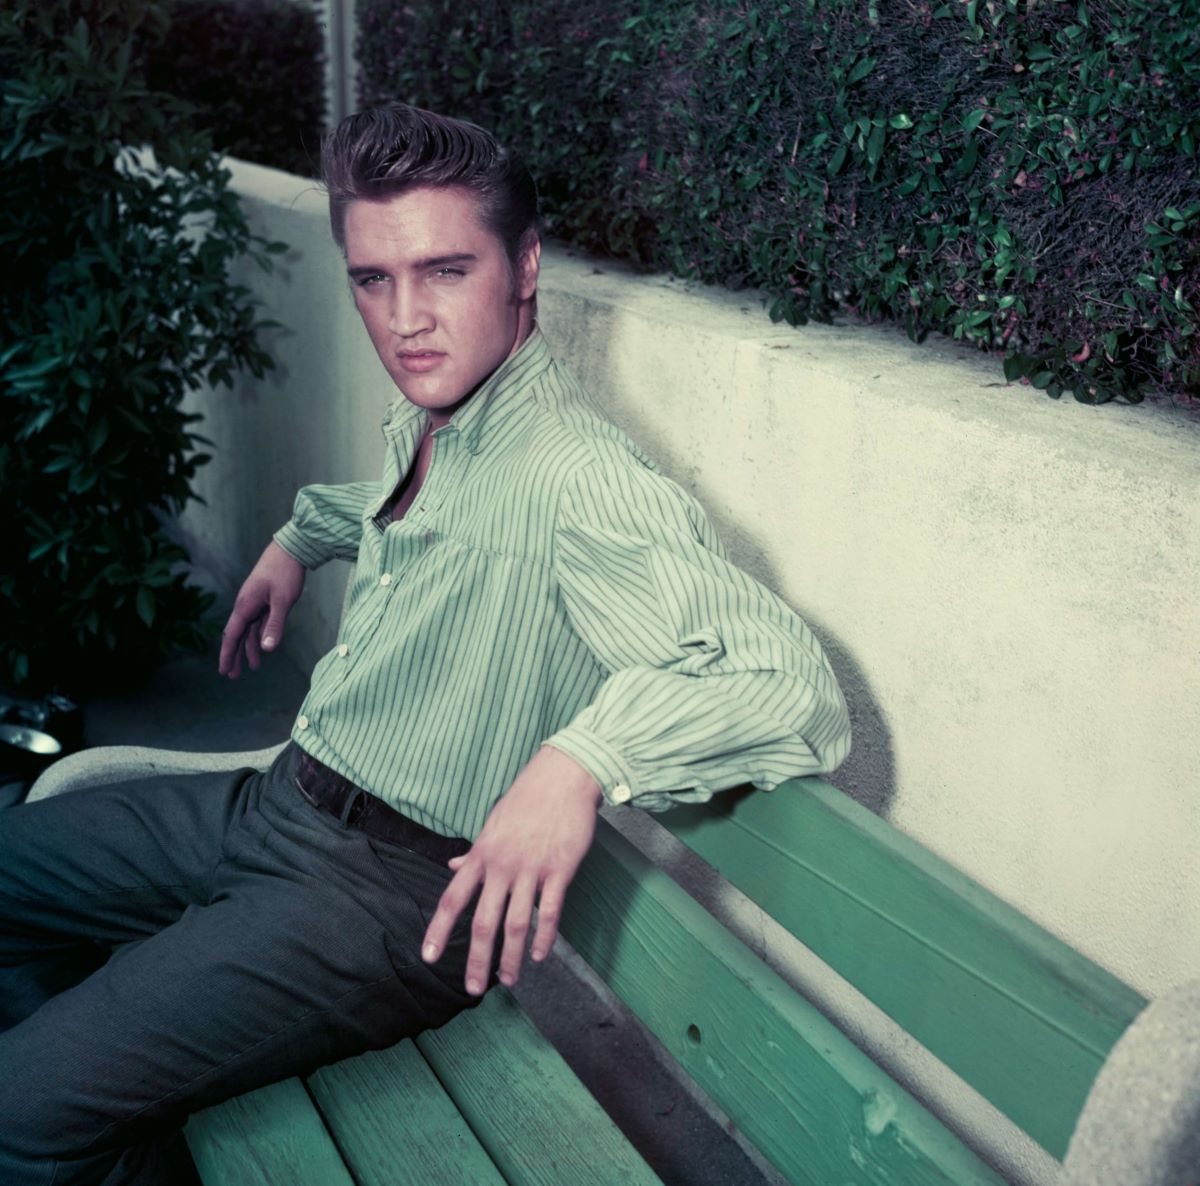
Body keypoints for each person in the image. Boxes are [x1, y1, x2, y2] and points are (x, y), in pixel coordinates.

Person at [0, 104, 851, 1185]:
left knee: (15, 1116)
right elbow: (406, 514)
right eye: (374, 279)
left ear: (526, 264)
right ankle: (113, 1111)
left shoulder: (580, 478)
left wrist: (581, 759)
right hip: (280, 803)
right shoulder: (446, 427)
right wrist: (300, 535)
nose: (406, 319)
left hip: (383, 896)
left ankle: (70, 1108)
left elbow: (790, 685)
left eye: (445, 271)